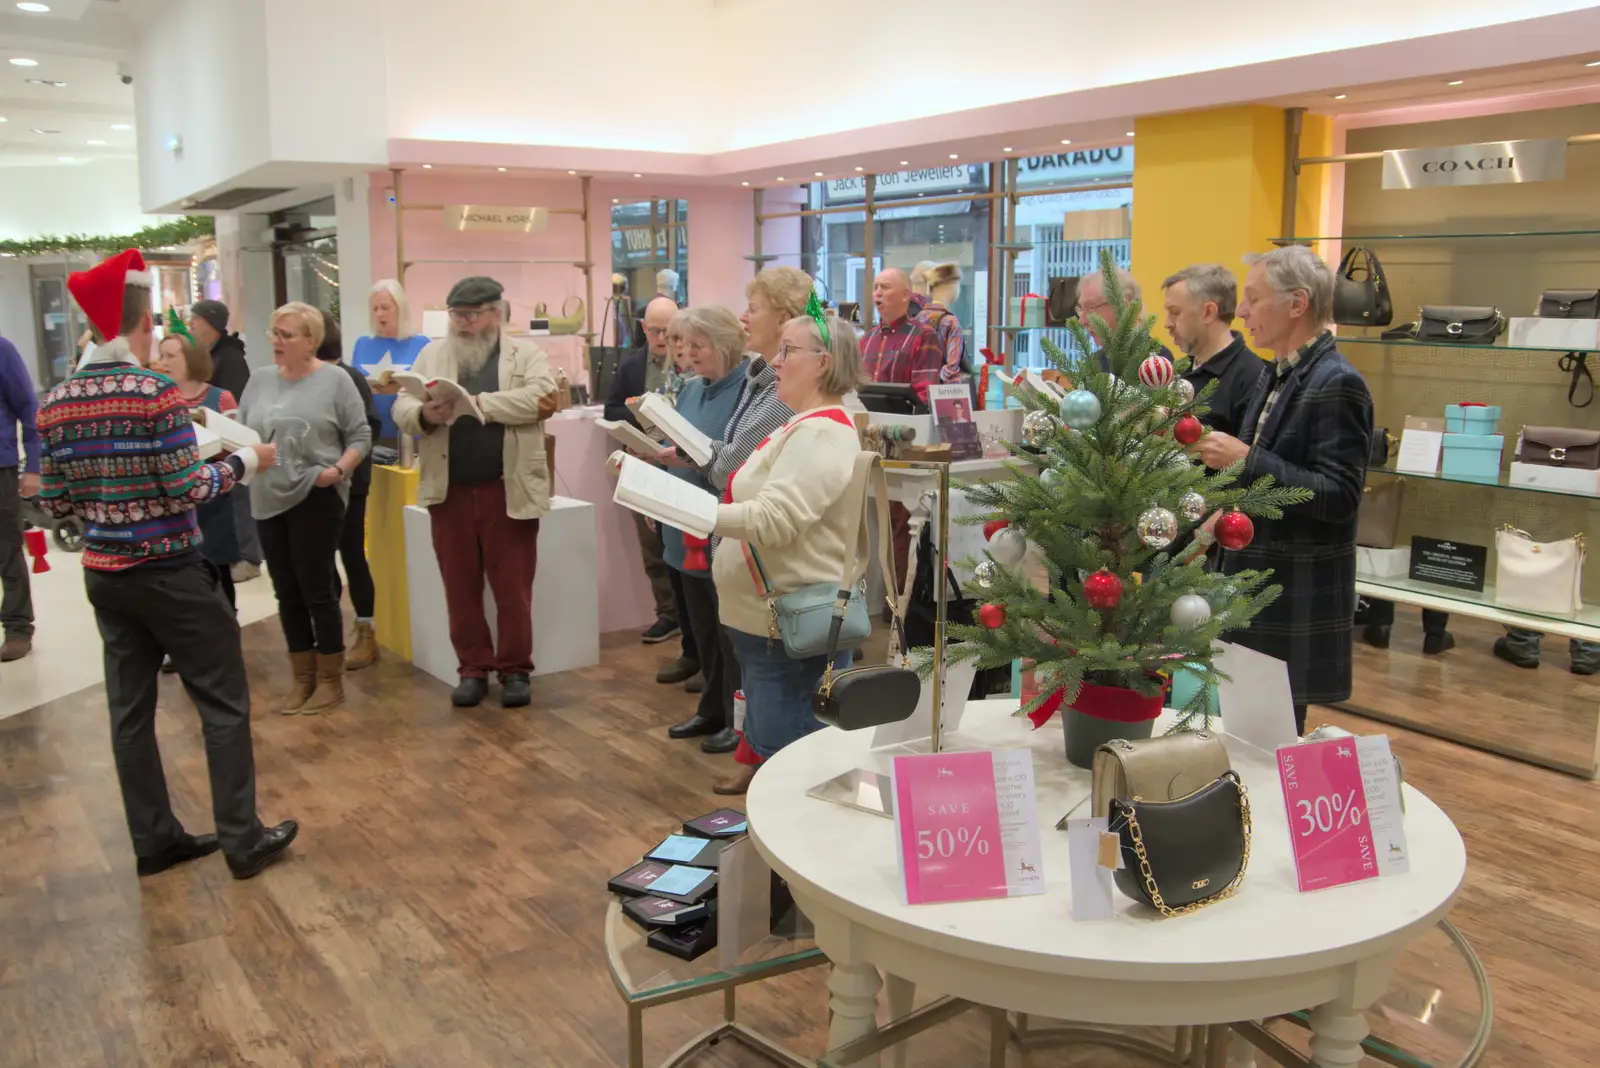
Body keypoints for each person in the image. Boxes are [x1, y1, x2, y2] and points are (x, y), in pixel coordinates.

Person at [36, 248, 296, 880]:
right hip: (170, 571)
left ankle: (154, 840)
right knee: (223, 703)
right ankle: (242, 838)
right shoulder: (153, 393)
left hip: (105, 573)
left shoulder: (58, 402)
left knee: (129, 713)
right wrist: (245, 463)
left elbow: (55, 503)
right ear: (144, 319)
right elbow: (189, 487)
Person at [1196, 245, 1373, 736]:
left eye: (1253, 298)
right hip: (1255, 585)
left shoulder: (1337, 382)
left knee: (1269, 744)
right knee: (1247, 734)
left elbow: (1339, 496)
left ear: (1297, 304)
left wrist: (1246, 461)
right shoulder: (1278, 371)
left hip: (1290, 593)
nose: (1244, 311)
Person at [709, 303, 865, 795]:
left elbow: (775, 520)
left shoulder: (821, 433)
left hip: (789, 623)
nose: (775, 362)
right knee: (775, 744)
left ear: (824, 360)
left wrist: (693, 512)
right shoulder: (800, 424)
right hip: (767, 623)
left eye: (788, 351)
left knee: (793, 773)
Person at [391, 277, 560, 710]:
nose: (463, 324)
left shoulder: (526, 353)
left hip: (507, 488)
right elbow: (401, 407)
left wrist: (483, 404)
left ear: (496, 313)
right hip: (449, 491)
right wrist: (424, 413)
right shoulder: (433, 353)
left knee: (513, 588)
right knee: (459, 587)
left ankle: (516, 669)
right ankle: (472, 668)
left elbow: (543, 398)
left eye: (472, 315)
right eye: (456, 315)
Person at [237, 303, 372, 714]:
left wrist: (337, 470)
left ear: (310, 341)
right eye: (273, 333)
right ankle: (303, 678)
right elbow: (243, 431)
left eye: (286, 335)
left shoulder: (336, 380)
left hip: (317, 494)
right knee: (286, 591)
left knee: (318, 590)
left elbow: (361, 434)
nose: (276, 341)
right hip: (267, 494)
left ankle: (331, 680)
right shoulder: (258, 381)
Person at [658, 307, 750, 755]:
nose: (687, 354)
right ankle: (711, 707)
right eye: (683, 344)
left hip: (718, 523)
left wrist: (688, 458)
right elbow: (684, 447)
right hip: (683, 521)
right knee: (703, 629)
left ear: (726, 343)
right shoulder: (691, 390)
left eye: (698, 345)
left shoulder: (747, 392)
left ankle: (739, 721)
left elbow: (731, 458)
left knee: (731, 632)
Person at [606, 296, 682, 647]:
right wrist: (641, 413)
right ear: (642, 328)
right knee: (651, 546)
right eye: (654, 330)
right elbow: (611, 409)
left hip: (681, 463)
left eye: (668, 330)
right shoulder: (630, 365)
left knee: (685, 543)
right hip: (640, 459)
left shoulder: (689, 364)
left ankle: (691, 618)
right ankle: (668, 614)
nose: (661, 337)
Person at [150, 325, 243, 612]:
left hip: (214, 500)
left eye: (171, 356)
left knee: (218, 572)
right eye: (161, 355)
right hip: (173, 503)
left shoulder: (221, 398)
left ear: (191, 357)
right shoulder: (156, 400)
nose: (163, 362)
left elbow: (239, 446)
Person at [316, 311, 383, 671]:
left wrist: (342, 463)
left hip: (349, 484)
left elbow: (369, 427)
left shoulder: (349, 377)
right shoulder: (310, 377)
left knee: (352, 557)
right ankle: (328, 635)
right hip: (316, 484)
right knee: (322, 562)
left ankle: (367, 632)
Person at [189, 300, 261, 583]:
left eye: (196, 321)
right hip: (215, 446)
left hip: (232, 440)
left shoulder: (230, 359)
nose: (192, 326)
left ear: (210, 324)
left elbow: (236, 406)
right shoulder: (213, 355)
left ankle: (249, 557)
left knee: (240, 499)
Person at [1160, 264, 1267, 437]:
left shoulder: (1252, 378)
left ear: (1208, 312)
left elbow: (1245, 459)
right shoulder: (1180, 369)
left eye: (1175, 312)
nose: (1167, 324)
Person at [0, 330, 39, 662]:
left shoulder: (3, 350)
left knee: (7, 549)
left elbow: (29, 409)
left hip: (1, 467)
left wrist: (34, 466)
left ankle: (17, 627)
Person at [353, 279, 429, 442]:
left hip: (412, 433)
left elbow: (431, 390)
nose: (379, 313)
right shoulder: (362, 343)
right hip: (372, 434)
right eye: (375, 308)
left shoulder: (422, 344)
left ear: (400, 309)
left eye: (385, 307)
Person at [861, 268, 943, 392]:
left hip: (905, 411)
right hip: (866, 411)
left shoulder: (924, 336)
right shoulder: (866, 339)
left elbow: (925, 393)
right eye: (875, 287)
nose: (878, 293)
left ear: (905, 295)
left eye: (885, 287)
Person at [917, 262, 967, 384]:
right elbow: (951, 369)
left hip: (918, 391)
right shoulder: (950, 322)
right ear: (950, 287)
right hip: (942, 393)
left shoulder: (918, 318)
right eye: (957, 284)